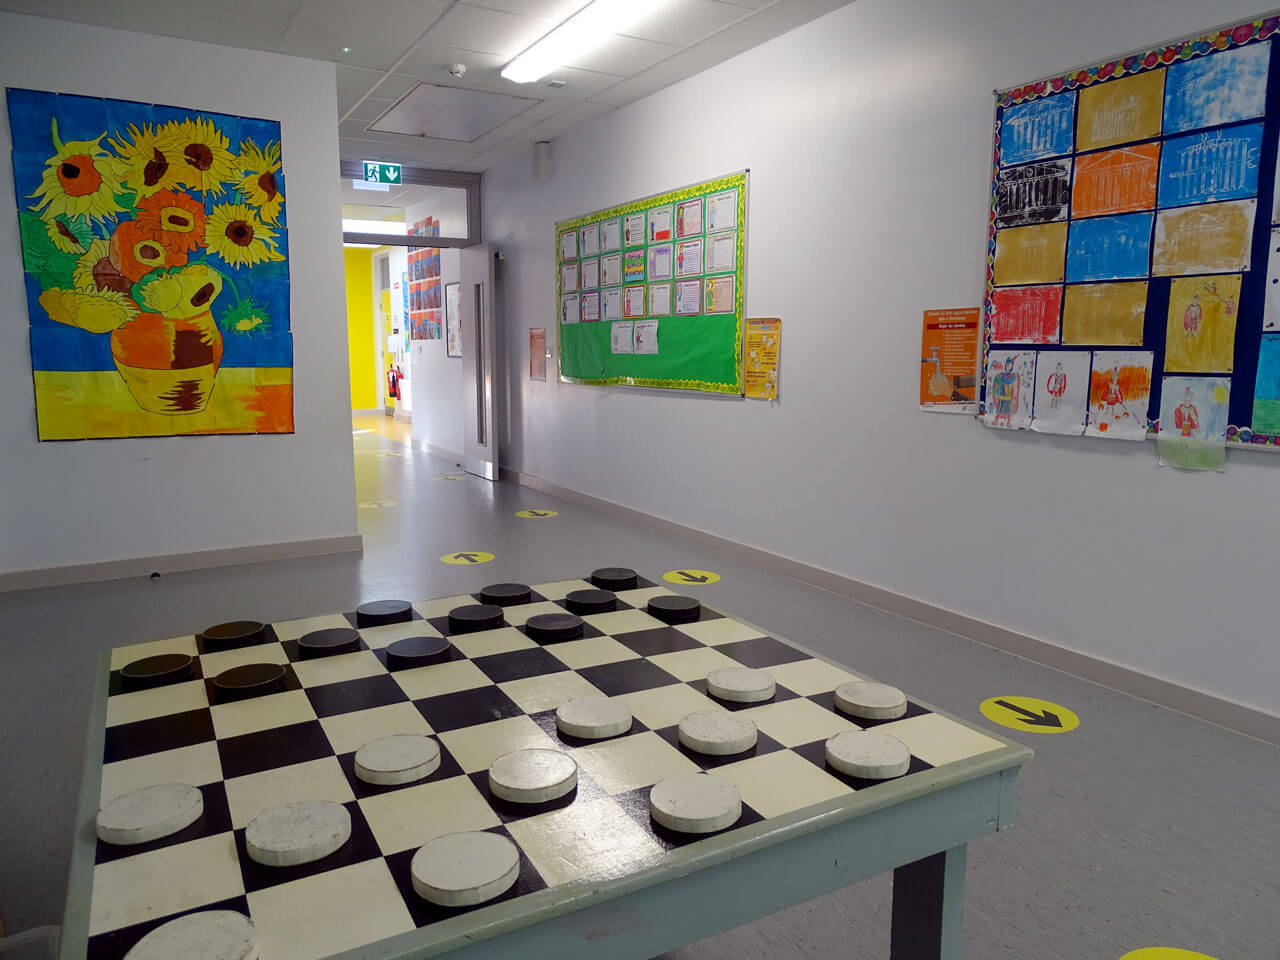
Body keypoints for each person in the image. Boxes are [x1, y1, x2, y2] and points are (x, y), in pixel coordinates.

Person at [990, 356, 1020, 427]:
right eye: (1007, 365)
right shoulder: (1002, 375)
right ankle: (996, 420)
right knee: (1000, 408)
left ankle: (1008, 422)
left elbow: (1012, 382)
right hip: (1002, 394)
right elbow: (999, 382)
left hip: (1009, 395)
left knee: (1008, 410)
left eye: (1009, 365)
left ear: (1012, 366)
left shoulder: (1013, 376)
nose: (1008, 367)